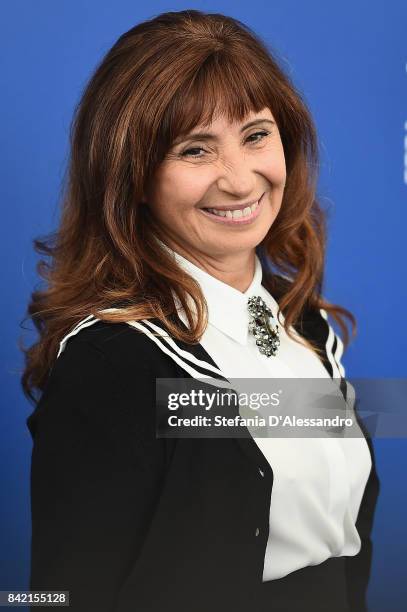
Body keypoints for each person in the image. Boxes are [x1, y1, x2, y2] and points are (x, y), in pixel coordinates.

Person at [21, 9, 380, 612]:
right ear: (132, 176)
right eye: (195, 150)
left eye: (257, 135)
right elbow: (63, 595)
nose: (240, 180)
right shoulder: (114, 364)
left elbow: (339, 547)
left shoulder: (301, 324)